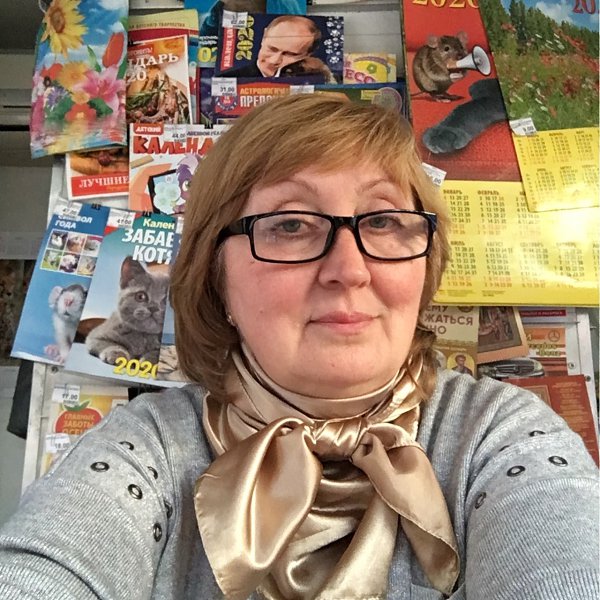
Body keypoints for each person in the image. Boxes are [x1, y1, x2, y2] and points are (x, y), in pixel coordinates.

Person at [0, 95, 598, 600]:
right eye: (290, 225)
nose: (351, 270)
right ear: (217, 278)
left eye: (384, 220)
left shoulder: (499, 436)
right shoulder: (144, 449)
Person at [221, 15, 324, 79]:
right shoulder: (228, 79)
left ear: (308, 55)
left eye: (290, 54)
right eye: (272, 49)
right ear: (263, 37)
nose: (274, 61)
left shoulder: (319, 82)